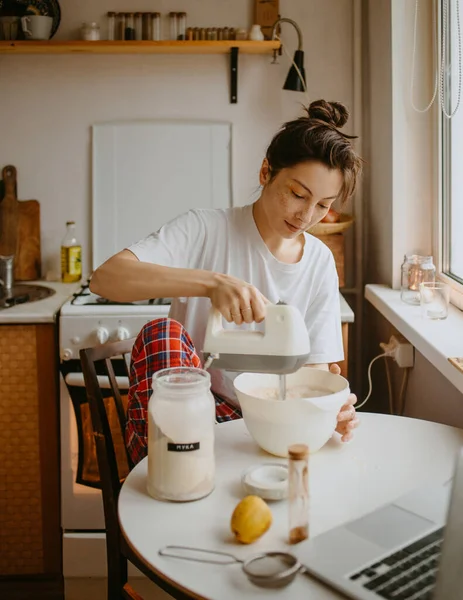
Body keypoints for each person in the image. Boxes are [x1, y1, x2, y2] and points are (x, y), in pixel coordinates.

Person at [90, 99, 363, 466]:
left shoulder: (319, 262)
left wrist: (330, 405)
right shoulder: (204, 229)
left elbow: (314, 370)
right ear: (266, 171)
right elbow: (104, 279)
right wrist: (209, 283)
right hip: (190, 422)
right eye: (298, 195)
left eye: (322, 205)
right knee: (161, 333)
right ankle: (178, 475)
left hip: (268, 429)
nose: (306, 215)